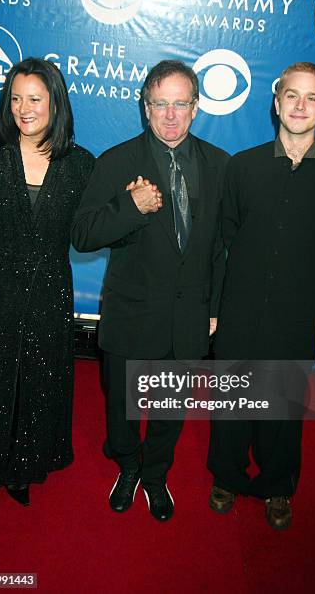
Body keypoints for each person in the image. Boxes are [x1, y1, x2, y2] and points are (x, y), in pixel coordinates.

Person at [72, 60, 229, 521]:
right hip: (131, 313)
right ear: (145, 108)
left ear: (196, 107)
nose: (170, 115)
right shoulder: (117, 161)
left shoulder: (220, 166)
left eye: (181, 103)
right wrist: (130, 206)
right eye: (160, 103)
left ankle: (156, 474)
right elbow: (83, 234)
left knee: (168, 409)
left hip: (188, 318)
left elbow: (222, 246)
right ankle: (127, 467)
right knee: (121, 407)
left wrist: (215, 307)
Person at [207, 62, 315, 529]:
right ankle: (227, 476)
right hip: (240, 308)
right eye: (291, 95)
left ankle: (278, 486)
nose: (299, 105)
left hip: (295, 311)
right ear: (276, 103)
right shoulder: (243, 167)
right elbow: (225, 237)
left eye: (311, 98)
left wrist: (291, 282)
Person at [0, 58, 94, 508]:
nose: (23, 108)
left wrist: (133, 207)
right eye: (15, 98)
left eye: (35, 99)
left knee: (37, 385)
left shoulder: (79, 165)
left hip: (47, 293)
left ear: (55, 104)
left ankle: (22, 468)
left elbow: (90, 231)